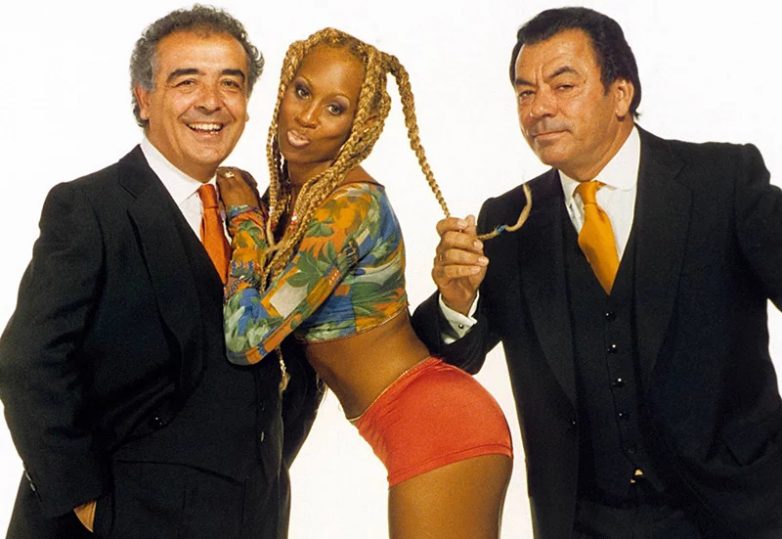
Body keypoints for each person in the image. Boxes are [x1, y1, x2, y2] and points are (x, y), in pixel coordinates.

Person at [412, 6, 782, 539]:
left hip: (740, 514)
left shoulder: (722, 181)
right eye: (524, 93)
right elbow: (449, 364)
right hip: (584, 523)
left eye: (563, 86)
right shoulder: (508, 220)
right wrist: (454, 300)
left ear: (621, 93)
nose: (539, 108)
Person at [0, 6, 320, 538]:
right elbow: (27, 363)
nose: (211, 101)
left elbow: (320, 353)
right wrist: (91, 506)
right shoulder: (91, 208)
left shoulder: (264, 219)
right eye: (186, 81)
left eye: (231, 83)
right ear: (144, 98)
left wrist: (452, 304)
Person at [217, 28, 513, 538]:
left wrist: (244, 218)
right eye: (302, 91)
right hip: (408, 422)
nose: (307, 117)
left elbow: (247, 338)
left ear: (360, 125)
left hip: (440, 426)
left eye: (335, 108)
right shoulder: (296, 197)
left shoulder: (348, 209)